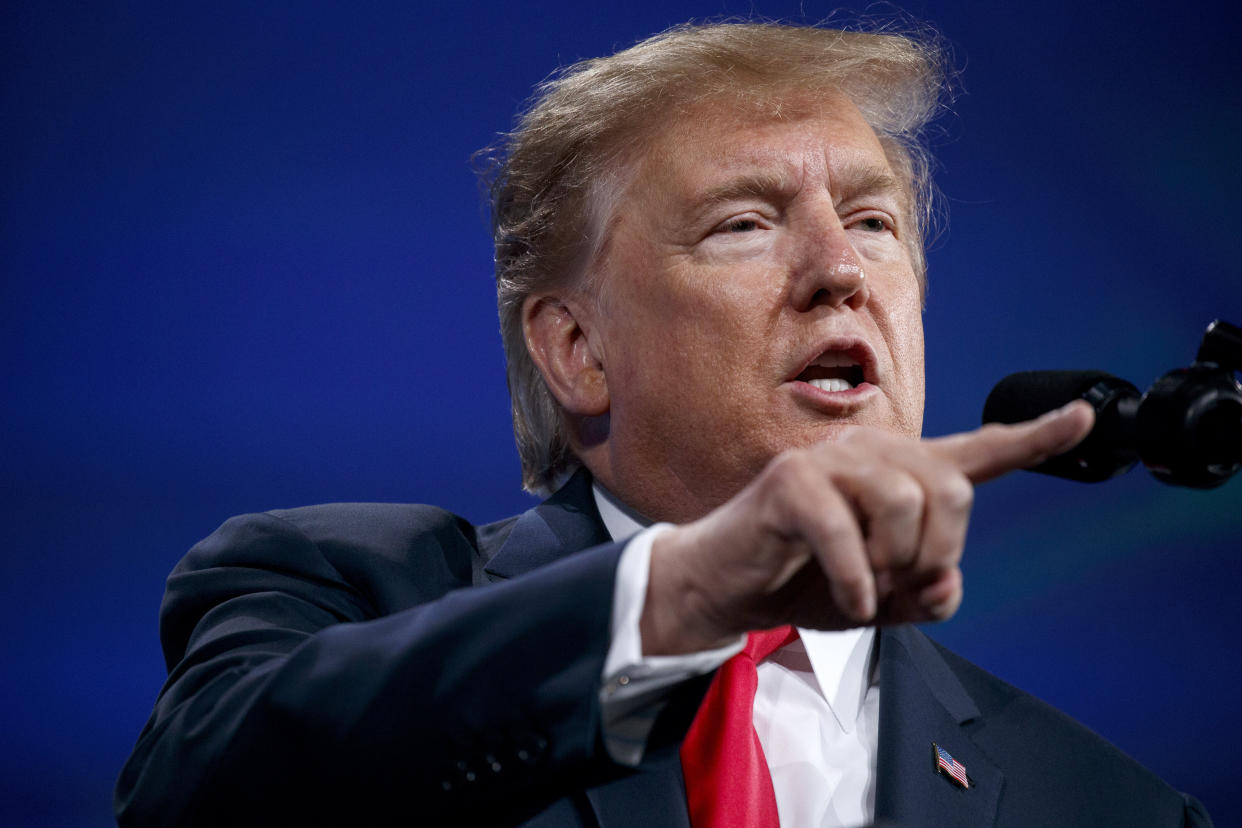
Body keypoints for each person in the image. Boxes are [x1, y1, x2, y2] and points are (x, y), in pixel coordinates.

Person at [116, 21, 1211, 827]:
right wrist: (689, 592)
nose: (841, 271)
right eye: (743, 223)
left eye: (875, 221)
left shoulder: (1114, 808)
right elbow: (196, 801)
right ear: (577, 349)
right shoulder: (337, 593)